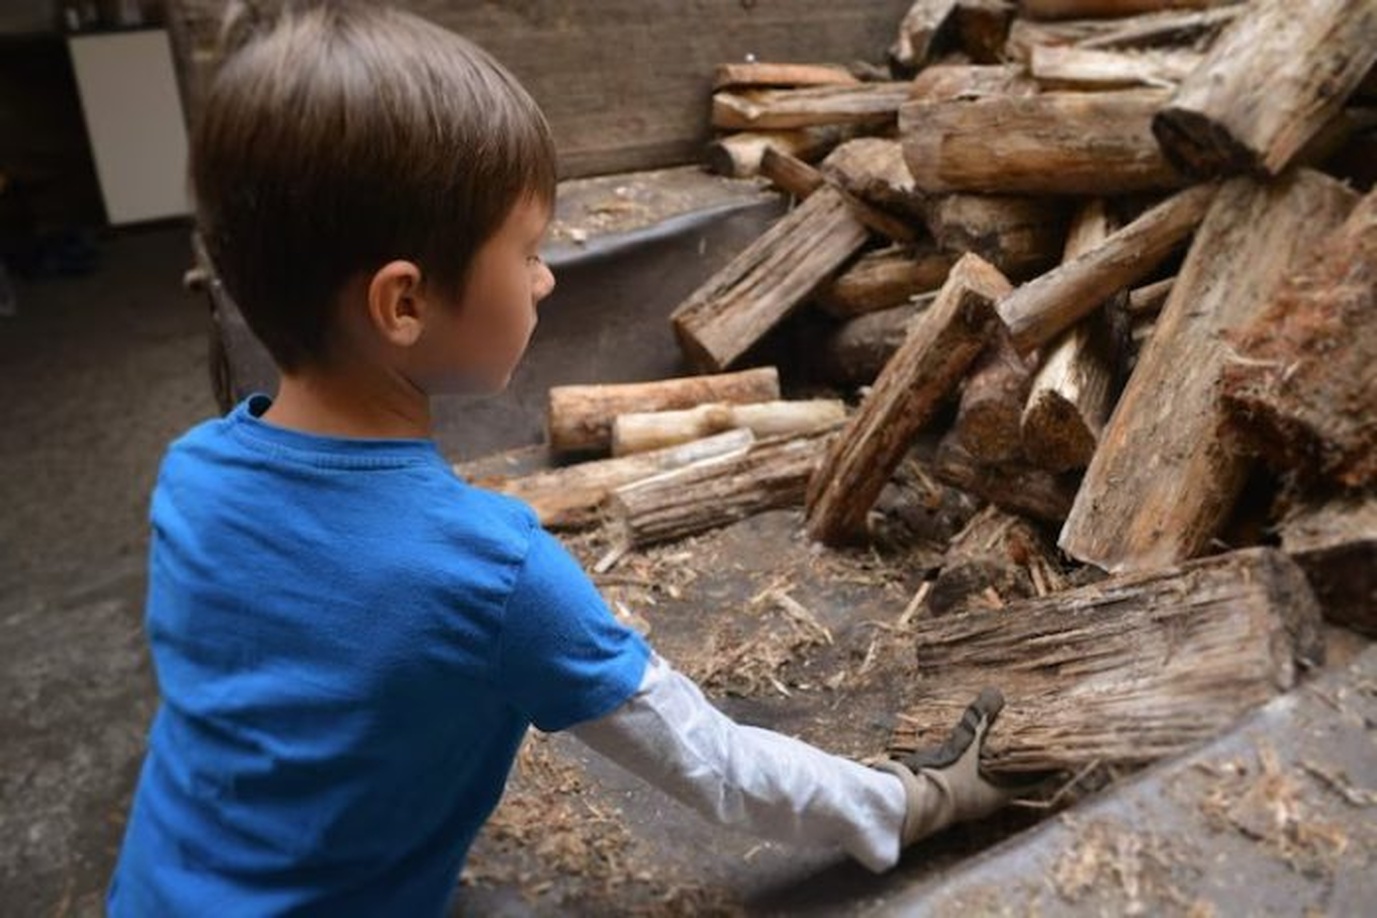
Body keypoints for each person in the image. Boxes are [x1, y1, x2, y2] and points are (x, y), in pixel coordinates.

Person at [107, 3, 1015, 914]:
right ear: (403, 306)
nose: (545, 278)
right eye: (530, 252)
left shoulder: (192, 474)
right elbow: (719, 767)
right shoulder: (491, 572)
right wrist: (917, 799)